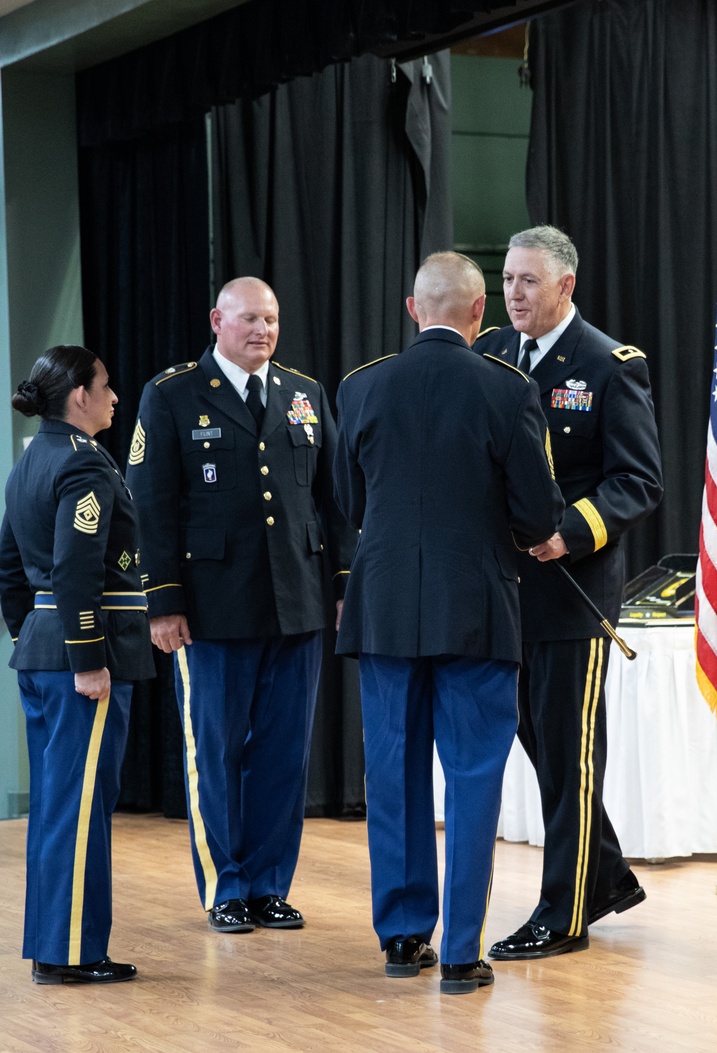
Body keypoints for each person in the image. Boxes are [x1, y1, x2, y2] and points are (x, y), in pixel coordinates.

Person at [334, 252, 564, 994]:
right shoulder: (508, 389)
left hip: (387, 610)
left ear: (412, 309)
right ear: (478, 315)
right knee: (473, 780)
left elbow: (349, 504)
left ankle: (404, 937)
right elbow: (537, 514)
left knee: (394, 774)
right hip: (477, 612)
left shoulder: (360, 387)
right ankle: (462, 950)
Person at [125, 277, 349, 933]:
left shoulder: (303, 392)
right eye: (251, 318)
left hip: (296, 604)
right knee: (215, 750)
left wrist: (340, 584)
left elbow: (332, 499)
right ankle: (226, 885)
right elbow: (153, 506)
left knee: (284, 753)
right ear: (217, 319)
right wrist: (162, 600)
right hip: (211, 608)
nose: (264, 330)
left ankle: (270, 883)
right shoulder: (172, 394)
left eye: (273, 318)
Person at [476, 226, 663, 961]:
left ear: (565, 286)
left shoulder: (609, 365)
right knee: (546, 751)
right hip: (503, 591)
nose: (514, 293)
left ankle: (564, 912)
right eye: (508, 279)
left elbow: (639, 480)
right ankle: (605, 873)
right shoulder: (489, 353)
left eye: (528, 281)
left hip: (572, 594)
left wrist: (570, 533)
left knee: (570, 752)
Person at [0, 346, 154, 984]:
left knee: (59, 803)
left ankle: (54, 944)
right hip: (80, 659)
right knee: (81, 805)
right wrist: (86, 657)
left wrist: (34, 634)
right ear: (79, 398)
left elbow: (10, 566)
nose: (116, 398)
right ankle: (71, 953)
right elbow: (76, 568)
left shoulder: (30, 459)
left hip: (44, 649)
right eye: (107, 386)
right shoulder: (84, 466)